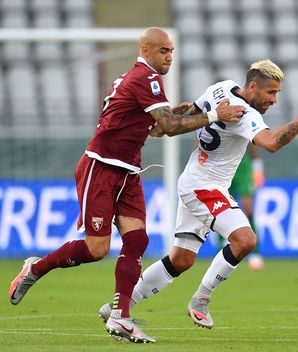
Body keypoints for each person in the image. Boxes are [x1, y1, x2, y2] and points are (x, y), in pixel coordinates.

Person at [8, 27, 245, 343]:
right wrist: (215, 114)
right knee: (97, 249)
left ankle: (120, 317)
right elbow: (170, 127)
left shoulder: (142, 79)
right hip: (102, 167)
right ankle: (37, 268)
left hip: (129, 172)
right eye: (164, 51)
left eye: (172, 51)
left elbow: (146, 119)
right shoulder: (144, 78)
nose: (170, 57)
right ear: (146, 50)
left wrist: (173, 114)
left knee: (137, 241)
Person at [98, 59, 298, 329]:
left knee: (181, 259)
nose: (275, 99)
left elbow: (192, 112)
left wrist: (171, 120)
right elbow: (272, 143)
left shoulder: (221, 88)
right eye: (271, 92)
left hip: (194, 180)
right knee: (245, 240)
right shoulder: (245, 114)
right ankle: (200, 300)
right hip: (204, 187)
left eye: (278, 93)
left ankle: (118, 306)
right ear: (253, 86)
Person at [229, 143, 265, 271]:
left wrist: (258, 168)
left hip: (243, 168)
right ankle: (222, 247)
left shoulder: (239, 122)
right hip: (222, 167)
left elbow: (251, 141)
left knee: (248, 209)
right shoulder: (211, 123)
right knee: (220, 209)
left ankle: (255, 252)